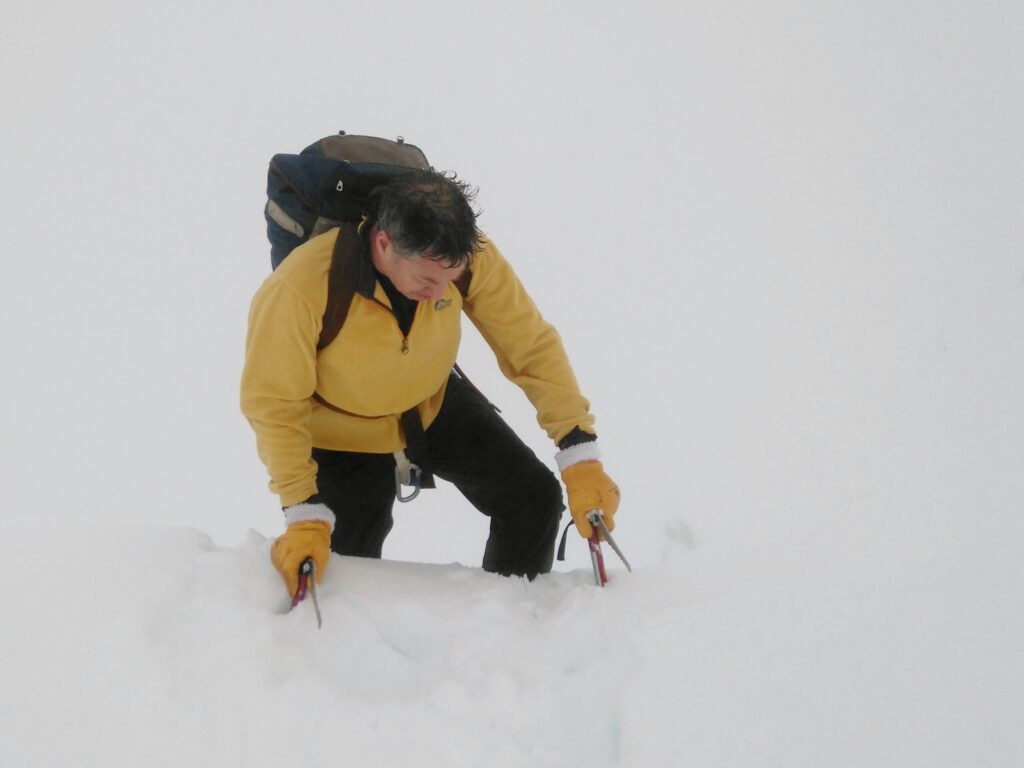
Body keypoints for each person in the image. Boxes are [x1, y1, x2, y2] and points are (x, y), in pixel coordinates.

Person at [241, 168, 619, 597]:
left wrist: (578, 448)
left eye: (450, 280)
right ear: (384, 243)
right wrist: (302, 509)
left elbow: (529, 344)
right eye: (427, 280)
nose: (441, 290)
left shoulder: (465, 258)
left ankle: (515, 625)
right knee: (345, 565)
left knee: (532, 498)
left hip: (429, 403)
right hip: (339, 431)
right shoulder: (302, 287)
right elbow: (272, 402)